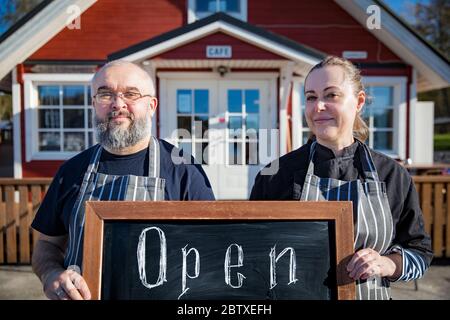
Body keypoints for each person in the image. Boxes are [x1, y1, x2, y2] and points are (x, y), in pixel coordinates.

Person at [250, 56, 432, 300]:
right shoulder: (276, 175)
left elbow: (420, 253)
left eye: (331, 95)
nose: (318, 106)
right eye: (311, 97)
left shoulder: (392, 175)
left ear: (358, 102)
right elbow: (250, 252)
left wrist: (387, 264)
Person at [31, 60, 215, 300]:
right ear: (93, 104)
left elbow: (212, 252)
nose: (118, 104)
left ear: (151, 105)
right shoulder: (71, 170)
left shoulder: (185, 171)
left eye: (130, 93)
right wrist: (51, 273)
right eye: (105, 94)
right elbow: (47, 246)